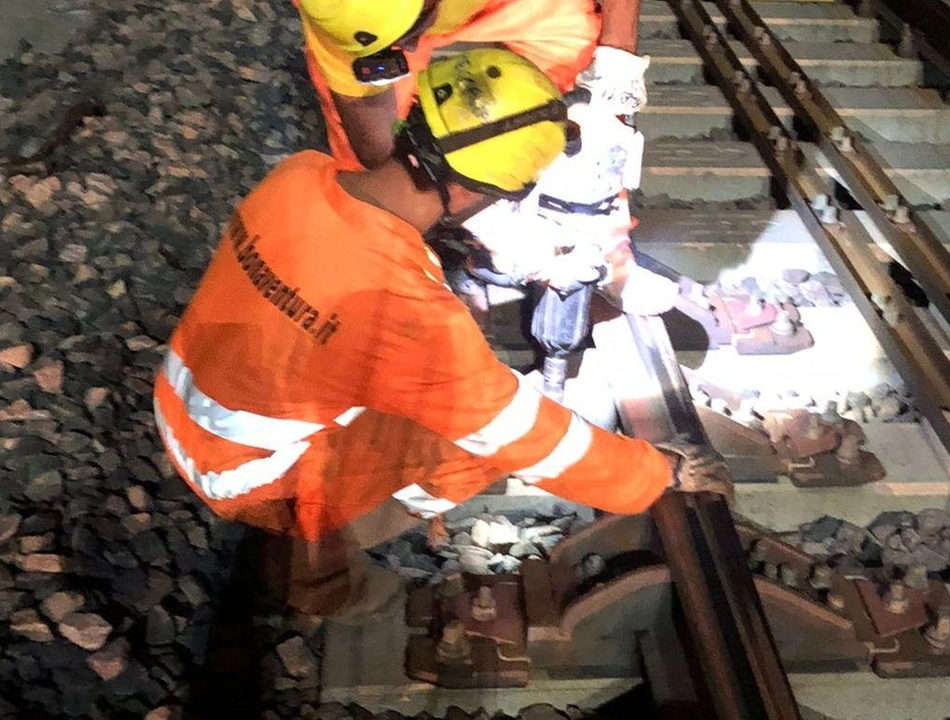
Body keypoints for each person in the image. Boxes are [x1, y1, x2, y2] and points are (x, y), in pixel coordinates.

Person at [152, 49, 731, 619]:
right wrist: (659, 472)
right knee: (473, 441)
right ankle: (320, 573)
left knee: (438, 401)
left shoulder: (299, 175)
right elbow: (525, 435)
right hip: (238, 474)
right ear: (492, 191)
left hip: (181, 403)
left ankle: (338, 514)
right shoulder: (404, 311)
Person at [295, 0, 677, 315]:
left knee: (582, 59)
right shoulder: (338, 14)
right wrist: (482, 210)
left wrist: (617, 56)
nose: (411, 50)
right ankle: (379, 270)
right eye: (400, 44)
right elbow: (376, 145)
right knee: (365, 164)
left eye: (413, 34)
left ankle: (601, 245)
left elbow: (607, 66)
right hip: (390, 23)